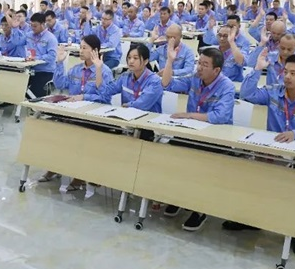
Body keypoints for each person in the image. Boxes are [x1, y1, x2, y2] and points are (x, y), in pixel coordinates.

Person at [239, 53, 295, 258]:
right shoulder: (274, 92)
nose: (287, 77)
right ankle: (253, 219)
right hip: (274, 151)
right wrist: (257, 69)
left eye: (293, 73)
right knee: (249, 172)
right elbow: (246, 94)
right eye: (285, 72)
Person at [160, 47, 235, 231]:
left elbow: (219, 116)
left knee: (201, 164)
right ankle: (178, 198)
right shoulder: (194, 78)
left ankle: (199, 209)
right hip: (192, 133)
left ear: (216, 70)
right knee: (171, 152)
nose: (199, 67)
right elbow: (167, 84)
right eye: (199, 63)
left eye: (204, 65)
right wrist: (169, 61)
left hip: (215, 137)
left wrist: (189, 115)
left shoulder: (227, 86)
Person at [97, 44, 163, 130]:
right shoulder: (125, 76)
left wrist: (127, 105)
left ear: (146, 61)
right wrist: (99, 69)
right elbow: (105, 91)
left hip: (147, 125)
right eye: (129, 58)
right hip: (127, 122)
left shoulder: (154, 81)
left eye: (135, 58)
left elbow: (142, 105)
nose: (131, 61)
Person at [150, 24, 195, 90]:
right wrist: (151, 40)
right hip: (161, 82)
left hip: (179, 82)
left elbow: (189, 70)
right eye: (168, 37)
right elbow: (147, 58)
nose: (170, 40)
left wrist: (172, 72)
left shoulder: (188, 51)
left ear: (180, 37)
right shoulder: (161, 49)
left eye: (173, 37)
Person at [26, 12, 58, 98]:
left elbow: (52, 56)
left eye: (35, 26)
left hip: (45, 71)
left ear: (43, 24)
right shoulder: (29, 35)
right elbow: (17, 42)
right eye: (31, 25)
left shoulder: (51, 38)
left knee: (34, 93)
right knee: (19, 86)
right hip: (30, 69)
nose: (33, 28)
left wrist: (36, 59)